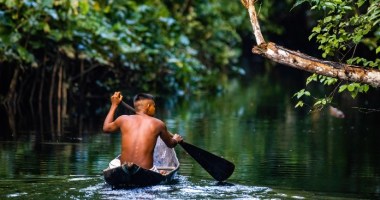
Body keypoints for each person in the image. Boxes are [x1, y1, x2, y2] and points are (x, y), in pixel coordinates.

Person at [103, 91, 183, 172]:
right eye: (154, 106)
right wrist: (176, 139)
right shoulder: (158, 124)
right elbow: (170, 144)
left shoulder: (123, 119)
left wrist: (114, 105)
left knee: (114, 163)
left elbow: (106, 128)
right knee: (162, 172)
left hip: (125, 169)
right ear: (148, 106)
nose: (155, 109)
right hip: (147, 171)